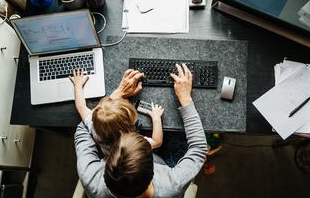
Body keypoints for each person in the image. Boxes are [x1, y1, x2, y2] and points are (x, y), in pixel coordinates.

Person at [74, 64, 207, 198]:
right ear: (152, 172)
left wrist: (116, 96)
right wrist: (186, 99)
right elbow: (199, 149)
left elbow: (83, 129)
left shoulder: (90, 179)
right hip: (164, 162)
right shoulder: (172, 185)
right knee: (177, 139)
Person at [70, 69, 164, 155]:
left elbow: (81, 106)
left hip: (109, 154)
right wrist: (156, 118)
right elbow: (157, 142)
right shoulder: (133, 143)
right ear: (130, 124)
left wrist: (77, 85)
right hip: (130, 155)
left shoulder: (94, 127)